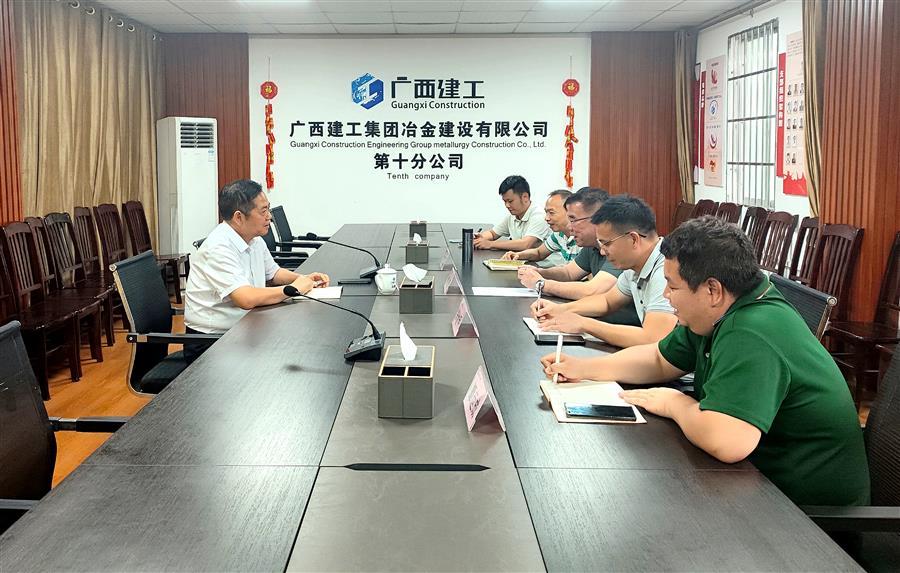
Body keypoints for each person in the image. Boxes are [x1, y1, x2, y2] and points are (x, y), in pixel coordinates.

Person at [541, 216, 869, 507]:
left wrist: (673, 403)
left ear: (712, 290)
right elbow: (659, 358)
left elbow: (727, 441)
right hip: (758, 486)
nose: (665, 296)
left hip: (808, 518)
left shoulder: (752, 330)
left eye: (672, 286)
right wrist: (583, 368)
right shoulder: (717, 312)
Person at [184, 179, 330, 361]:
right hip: (211, 343)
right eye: (263, 211)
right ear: (239, 217)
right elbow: (245, 298)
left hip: (246, 327)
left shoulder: (254, 239)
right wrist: (293, 289)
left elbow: (274, 274)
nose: (269, 217)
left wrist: (305, 278)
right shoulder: (218, 247)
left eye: (268, 209)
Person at [532, 195, 676, 348]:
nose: (602, 251)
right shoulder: (634, 266)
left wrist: (584, 324)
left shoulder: (666, 269)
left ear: (633, 239)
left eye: (606, 243)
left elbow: (652, 338)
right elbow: (607, 301)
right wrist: (560, 309)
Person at [500, 189, 580, 268]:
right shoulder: (558, 234)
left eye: (551, 213)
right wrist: (518, 255)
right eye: (546, 212)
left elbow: (570, 273)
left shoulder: (582, 239)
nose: (546, 218)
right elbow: (539, 253)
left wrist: (539, 273)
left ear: (569, 212)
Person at [473, 175, 549, 251]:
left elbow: (525, 244)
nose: (507, 205)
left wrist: (490, 244)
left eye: (510, 201)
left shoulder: (539, 215)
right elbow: (492, 233)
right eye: (505, 201)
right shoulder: (513, 216)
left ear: (525, 197)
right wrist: (479, 239)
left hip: (541, 259)